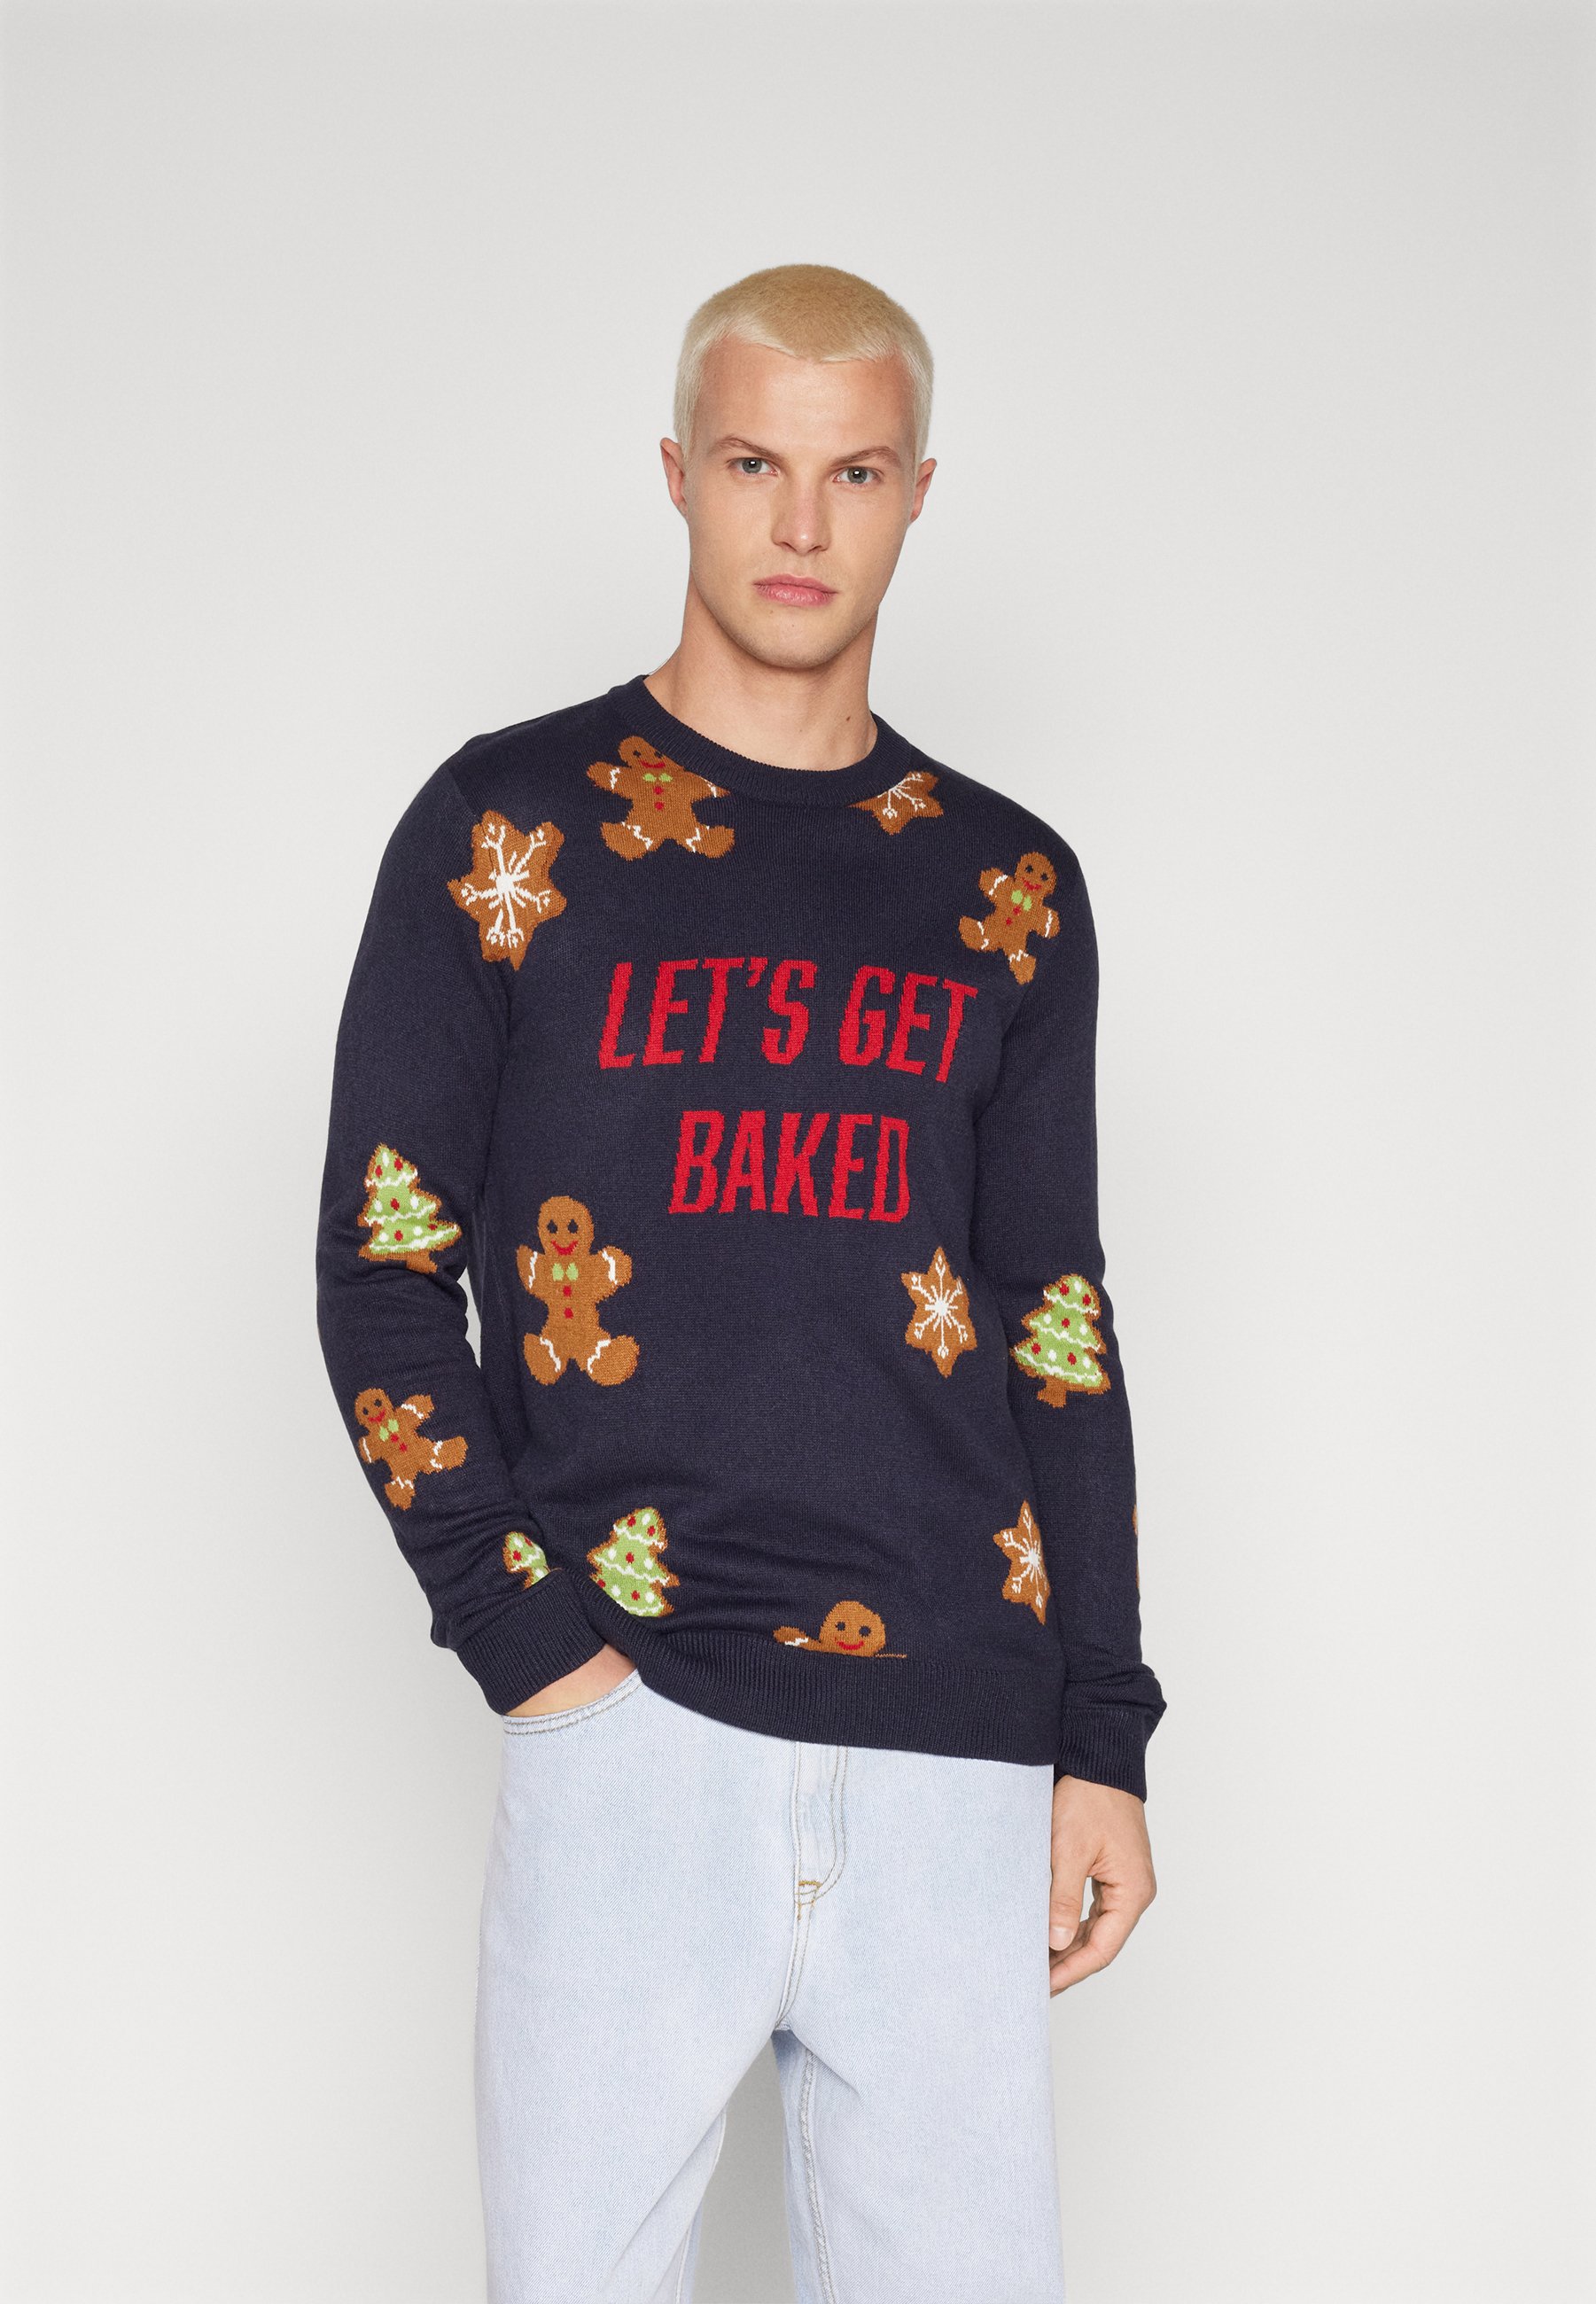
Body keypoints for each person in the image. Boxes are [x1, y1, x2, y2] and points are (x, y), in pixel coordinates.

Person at [315, 261, 1166, 2304]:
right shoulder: (508, 826)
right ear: (678, 473)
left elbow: (1054, 1314)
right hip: (633, 1709)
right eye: (754, 464)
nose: (800, 523)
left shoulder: (1004, 885)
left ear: (916, 491)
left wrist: (1099, 1732)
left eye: (852, 471)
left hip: (954, 1735)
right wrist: (537, 1652)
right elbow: (383, 1267)